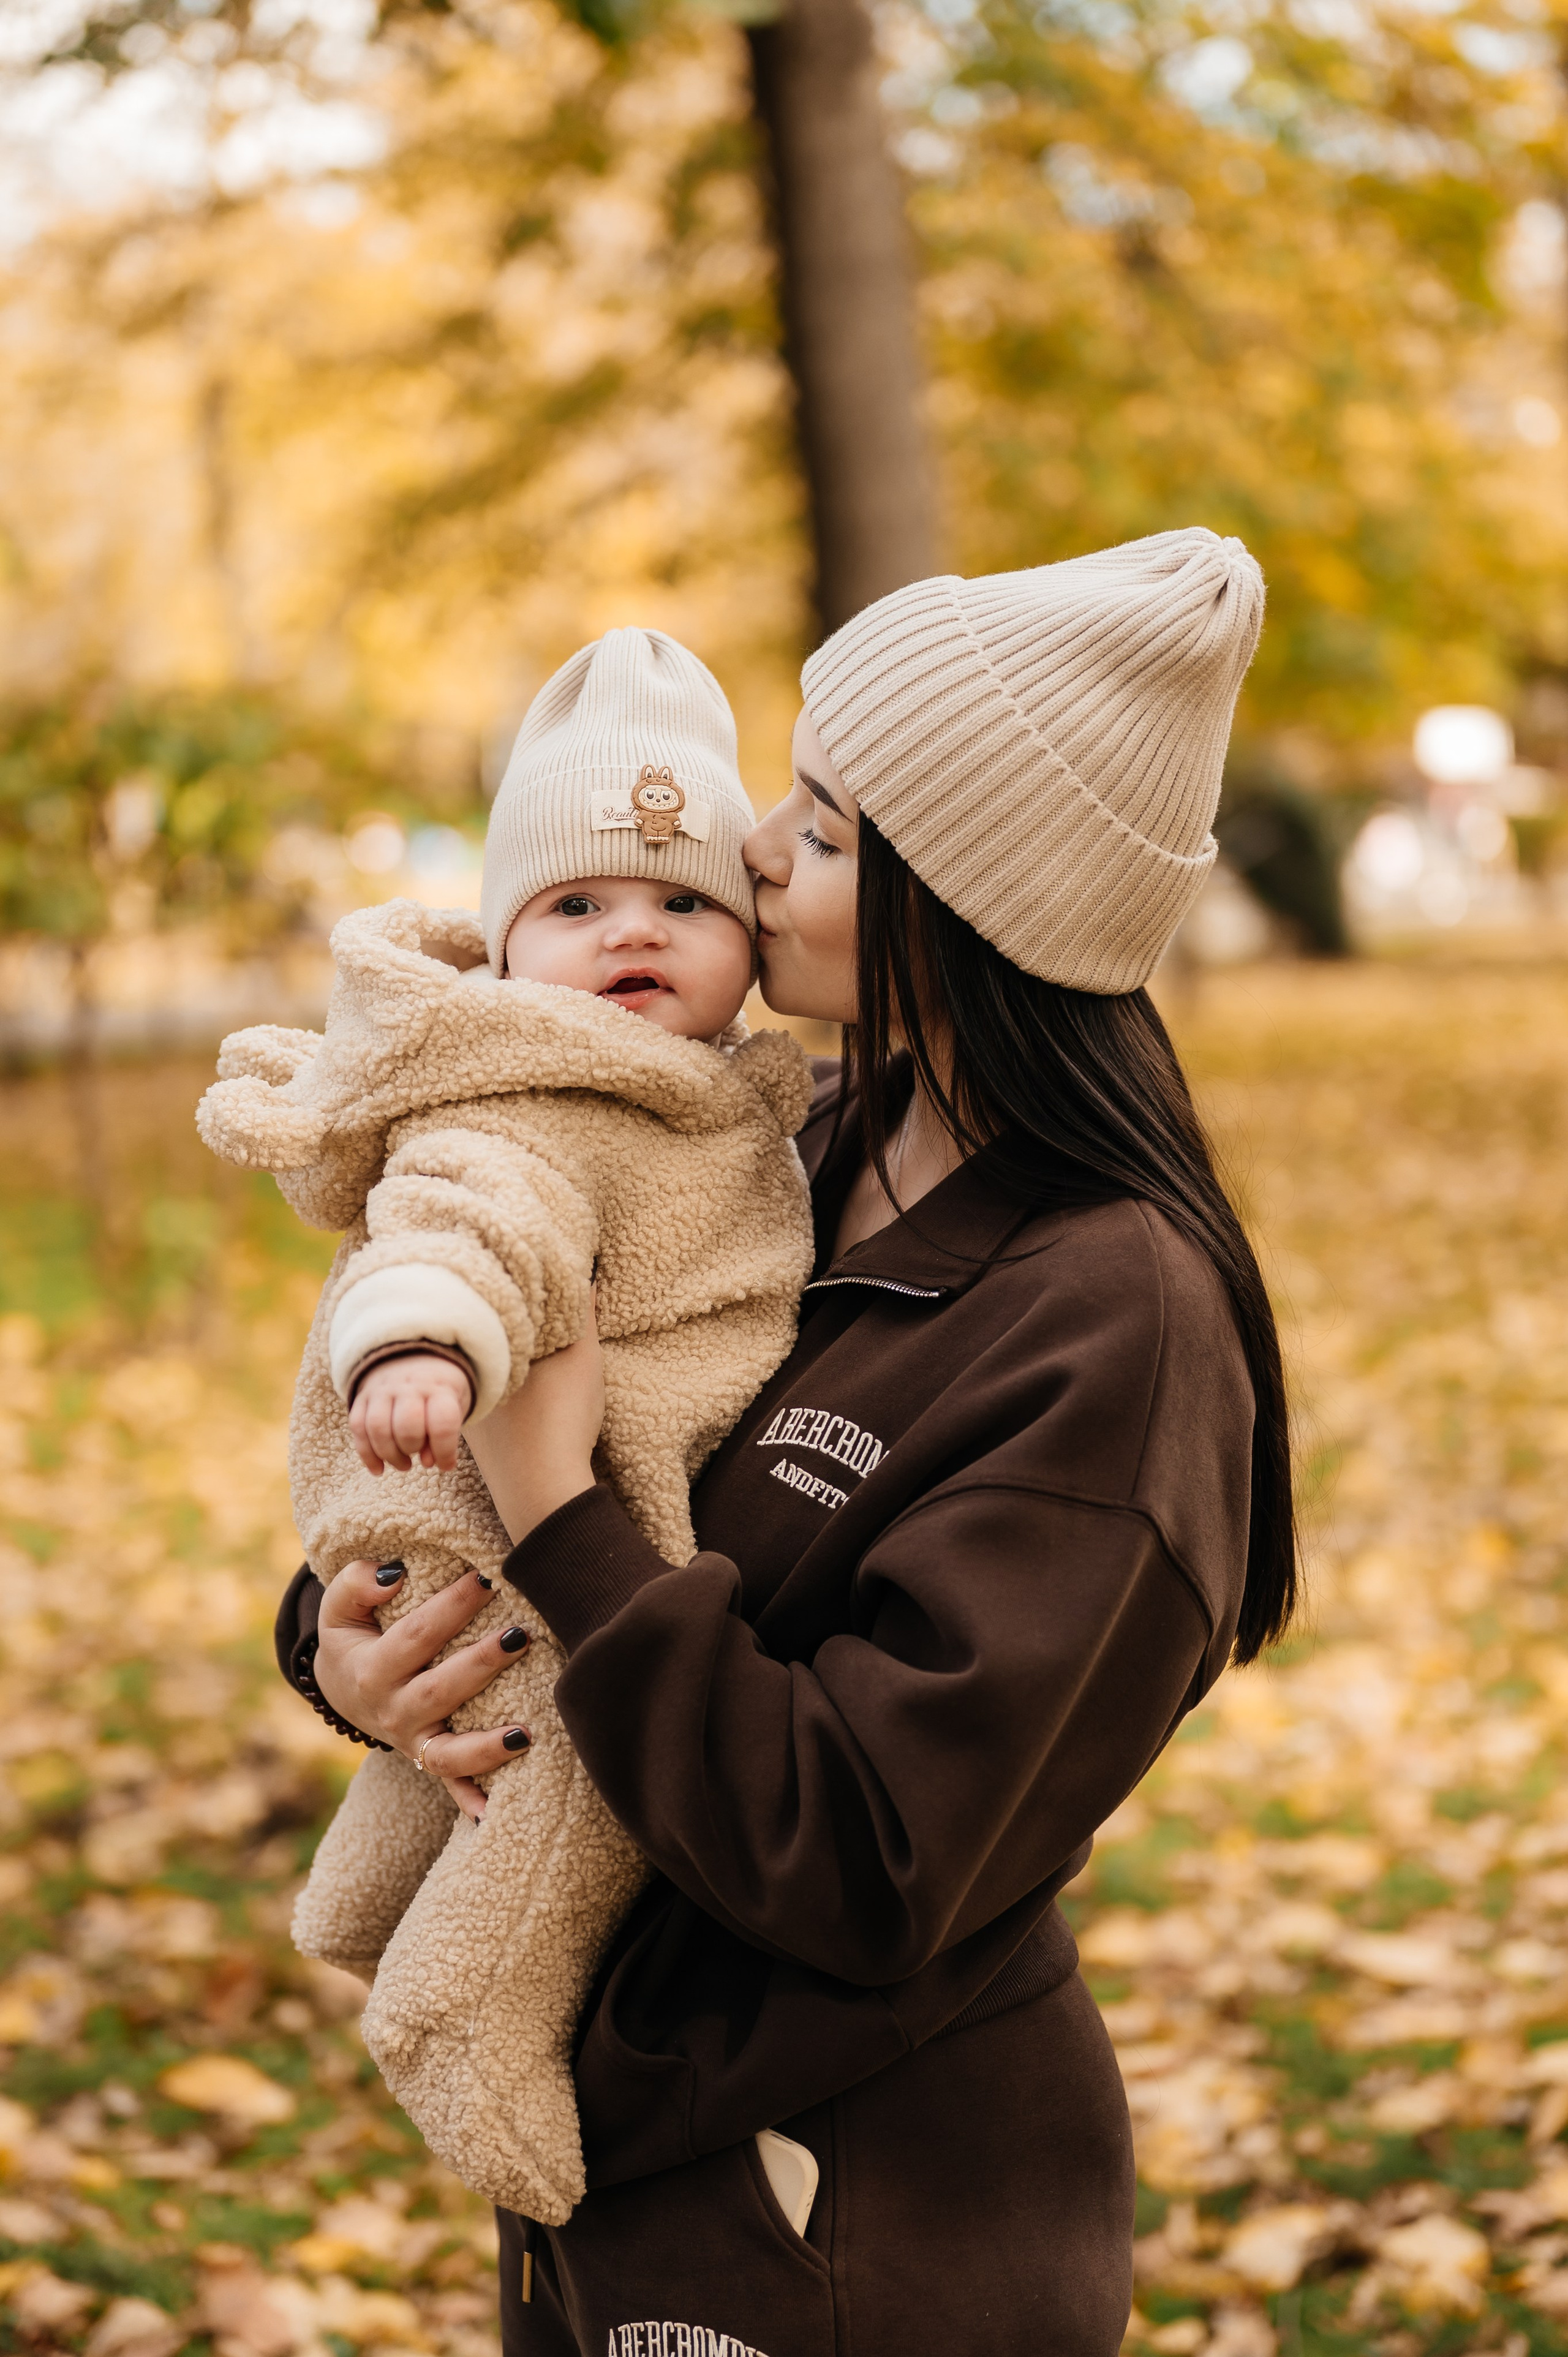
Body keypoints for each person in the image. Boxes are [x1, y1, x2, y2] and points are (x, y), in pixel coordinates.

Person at [280, 527, 1296, 2357]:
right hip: (622, 2172)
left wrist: (558, 1504)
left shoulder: (1117, 1326)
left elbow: (863, 1856)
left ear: (967, 907)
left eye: (821, 834)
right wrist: (359, 1646)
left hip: (850, 2219)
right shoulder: (793, 1148)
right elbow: (505, 1472)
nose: (748, 850)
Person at [205, 627, 814, 2222]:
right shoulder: (545, 1090)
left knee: (458, 1748)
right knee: (573, 1794)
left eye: (686, 902)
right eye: (579, 905)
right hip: (507, 1492)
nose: (637, 934)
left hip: (540, 1506)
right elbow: (470, 1217)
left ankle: (363, 1903)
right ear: (504, 943)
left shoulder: (707, 1089)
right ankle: (455, 2010)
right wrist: (424, 1340)